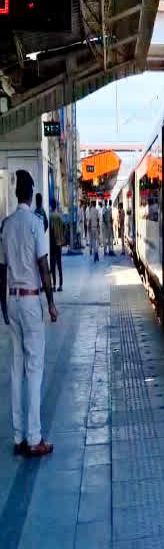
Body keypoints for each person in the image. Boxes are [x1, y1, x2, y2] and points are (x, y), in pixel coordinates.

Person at [1, 170, 58, 457]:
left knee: (16, 369)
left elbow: (1, 270)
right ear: (31, 192)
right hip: (31, 300)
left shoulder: (6, 225)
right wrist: (51, 302)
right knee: (34, 370)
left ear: (15, 193)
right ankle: (35, 438)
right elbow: (44, 267)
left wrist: (2, 305)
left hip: (12, 301)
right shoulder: (36, 224)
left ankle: (18, 436)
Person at [48, 200, 65, 292]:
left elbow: (51, 229)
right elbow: (63, 228)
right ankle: (61, 285)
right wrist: (62, 240)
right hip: (59, 243)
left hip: (53, 243)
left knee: (53, 265)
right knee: (59, 264)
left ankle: (54, 285)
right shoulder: (59, 216)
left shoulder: (51, 216)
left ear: (51, 206)